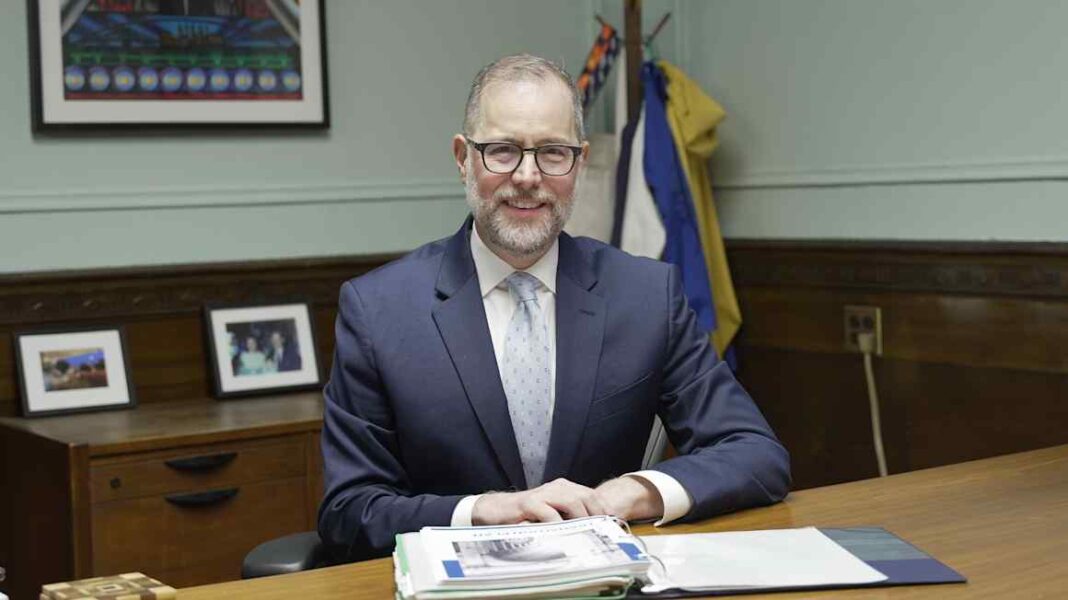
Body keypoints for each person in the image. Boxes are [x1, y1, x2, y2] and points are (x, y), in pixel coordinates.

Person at [319, 54, 790, 563]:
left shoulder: (647, 295)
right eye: (502, 151)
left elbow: (755, 453)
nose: (527, 176)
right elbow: (348, 511)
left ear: (580, 163)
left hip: (607, 579)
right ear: (463, 158)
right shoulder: (378, 310)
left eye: (552, 152)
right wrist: (482, 511)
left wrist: (630, 493)